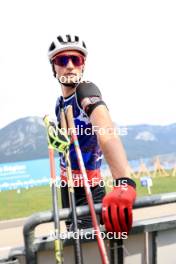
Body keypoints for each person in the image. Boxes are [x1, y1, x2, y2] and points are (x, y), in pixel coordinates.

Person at [48, 34, 136, 235]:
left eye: (76, 59)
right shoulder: (60, 104)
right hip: (67, 189)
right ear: (54, 67)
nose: (70, 65)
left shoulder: (86, 92)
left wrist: (124, 182)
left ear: (83, 64)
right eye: (62, 60)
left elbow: (107, 133)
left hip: (89, 190)